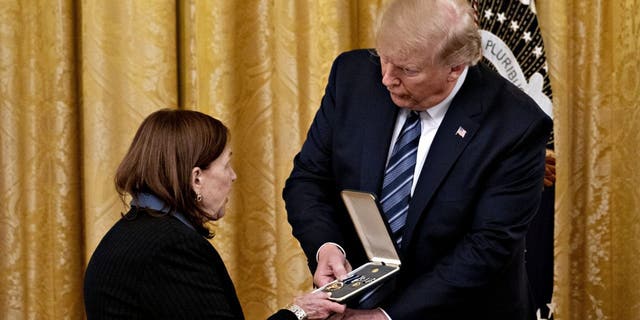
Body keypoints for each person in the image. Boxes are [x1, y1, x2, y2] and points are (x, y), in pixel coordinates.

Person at [282, 0, 553, 319]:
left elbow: (487, 247)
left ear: (456, 66)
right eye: (383, 59)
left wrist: (387, 316)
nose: (386, 78)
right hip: (355, 306)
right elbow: (308, 180)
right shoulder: (353, 76)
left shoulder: (516, 124)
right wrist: (327, 246)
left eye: (407, 70)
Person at [83, 109, 345, 319]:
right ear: (196, 178)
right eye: (226, 165)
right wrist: (300, 312)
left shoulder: (136, 231)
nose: (233, 176)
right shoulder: (170, 246)